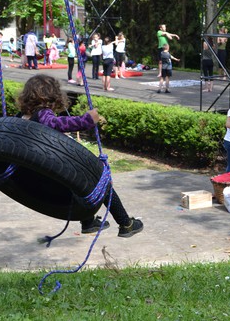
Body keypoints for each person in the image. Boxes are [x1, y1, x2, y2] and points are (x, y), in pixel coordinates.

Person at [16, 74, 144, 237]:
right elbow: (56, 123)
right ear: (52, 95)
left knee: (80, 179)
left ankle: (89, 222)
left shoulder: (20, 117)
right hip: (52, 179)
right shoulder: (43, 114)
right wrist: (87, 120)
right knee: (102, 181)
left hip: (36, 177)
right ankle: (126, 224)